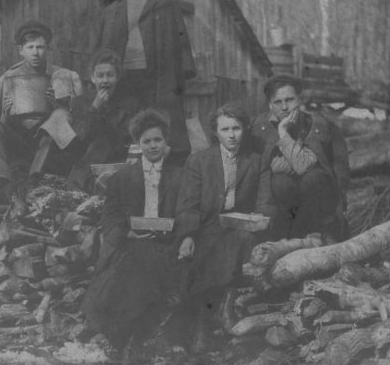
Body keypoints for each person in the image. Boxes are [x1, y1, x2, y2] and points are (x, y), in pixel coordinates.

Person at [81, 109, 184, 363]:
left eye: (157, 140)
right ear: (138, 144)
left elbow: (187, 213)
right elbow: (110, 218)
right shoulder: (121, 178)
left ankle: (125, 339)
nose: (152, 146)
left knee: (141, 267)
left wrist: (175, 231)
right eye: (146, 141)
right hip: (131, 245)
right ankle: (126, 339)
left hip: (167, 246)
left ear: (166, 141)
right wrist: (128, 232)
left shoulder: (180, 176)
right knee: (128, 269)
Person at [95, 0, 196, 165]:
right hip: (124, 78)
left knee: (164, 120)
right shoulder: (112, 11)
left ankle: (172, 166)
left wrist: (182, 76)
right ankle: (128, 167)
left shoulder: (166, 5)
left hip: (158, 76)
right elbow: (101, 50)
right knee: (126, 121)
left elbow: (181, 41)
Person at [175, 103, 261, 353]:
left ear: (245, 129)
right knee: (206, 252)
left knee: (243, 239)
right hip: (206, 226)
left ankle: (227, 308)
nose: (232, 135)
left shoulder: (253, 161)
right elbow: (188, 203)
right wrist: (188, 235)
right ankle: (204, 323)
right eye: (225, 129)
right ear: (216, 132)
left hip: (239, 225)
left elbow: (264, 199)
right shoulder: (199, 161)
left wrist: (258, 218)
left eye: (237, 128)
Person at [0, 21, 85, 217]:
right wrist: (6, 114)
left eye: (40, 47)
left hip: (48, 146)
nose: (35, 53)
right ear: (21, 50)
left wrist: (59, 107)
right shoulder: (8, 78)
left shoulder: (62, 76)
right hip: (18, 143)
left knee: (59, 116)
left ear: (48, 49)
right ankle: (10, 192)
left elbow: (78, 117)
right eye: (30, 47)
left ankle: (33, 185)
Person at [251, 75, 350, 241]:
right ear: (270, 105)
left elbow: (340, 166)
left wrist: (342, 203)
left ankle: (323, 232)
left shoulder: (320, 124)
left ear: (300, 100)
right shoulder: (258, 128)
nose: (284, 107)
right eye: (278, 102)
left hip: (320, 197)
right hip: (281, 203)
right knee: (280, 182)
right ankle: (290, 235)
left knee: (313, 177)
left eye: (289, 100)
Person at [67, 49, 141, 194]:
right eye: (100, 76)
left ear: (117, 78)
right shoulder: (80, 103)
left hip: (118, 166)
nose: (105, 81)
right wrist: (95, 107)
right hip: (87, 169)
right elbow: (81, 138)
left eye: (110, 75)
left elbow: (131, 140)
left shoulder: (130, 104)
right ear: (93, 78)